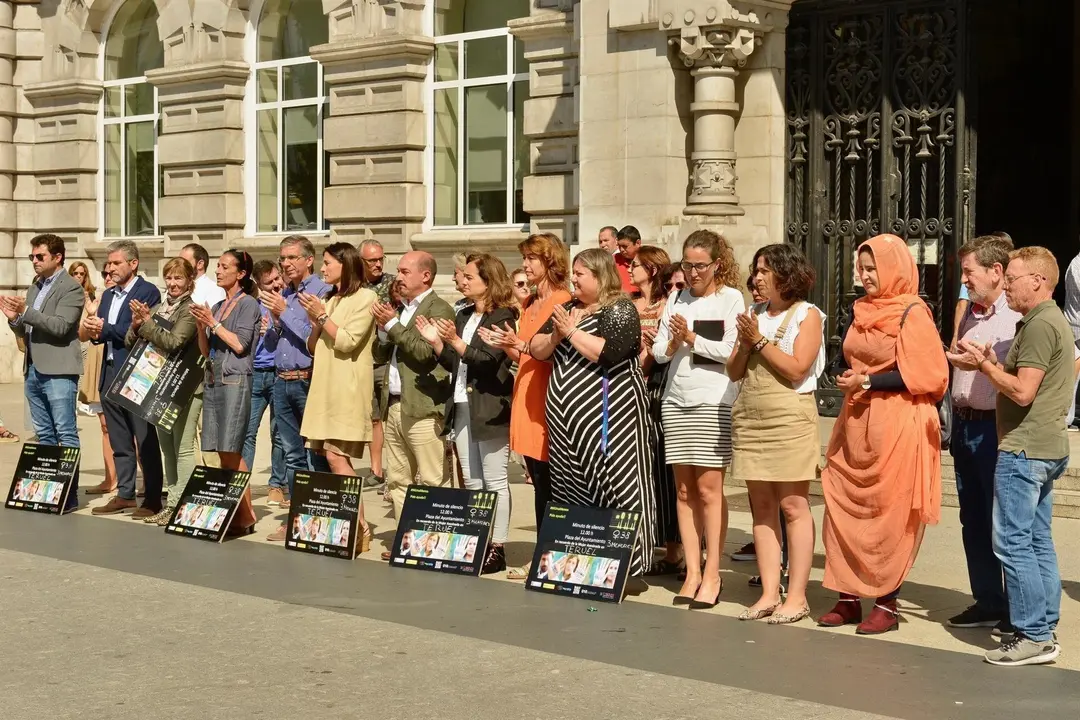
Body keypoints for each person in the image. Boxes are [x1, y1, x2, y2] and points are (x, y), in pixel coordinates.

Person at [818, 234, 949, 635]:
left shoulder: (913, 313)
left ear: (894, 267)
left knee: (888, 513)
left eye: (873, 268)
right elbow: (848, 355)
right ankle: (847, 597)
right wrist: (847, 377)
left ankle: (887, 602)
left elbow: (928, 376)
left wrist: (870, 382)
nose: (865, 275)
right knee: (843, 506)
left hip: (897, 422)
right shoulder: (859, 309)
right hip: (856, 420)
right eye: (861, 268)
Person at [959, 246, 1071, 667]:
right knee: (1037, 540)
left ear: (1038, 281)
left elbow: (1024, 391)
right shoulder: (1042, 321)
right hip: (1041, 446)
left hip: (1025, 449)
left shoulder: (1042, 324)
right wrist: (991, 360)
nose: (1006, 284)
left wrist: (985, 369)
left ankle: (1034, 635)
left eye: (1014, 278)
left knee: (1012, 542)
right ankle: (1044, 625)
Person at [530, 248, 656, 583]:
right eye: (573, 272)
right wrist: (557, 334)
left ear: (600, 277)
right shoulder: (567, 309)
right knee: (571, 486)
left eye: (580, 273)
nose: (573, 278)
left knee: (616, 485)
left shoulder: (619, 309)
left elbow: (611, 353)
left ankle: (627, 563)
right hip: (567, 423)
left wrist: (571, 333)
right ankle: (580, 560)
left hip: (610, 419)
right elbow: (535, 349)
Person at [728, 244, 825, 625]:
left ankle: (797, 595)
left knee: (793, 506)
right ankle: (769, 592)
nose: (756, 278)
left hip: (789, 420)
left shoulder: (808, 315)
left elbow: (798, 368)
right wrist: (744, 341)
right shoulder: (751, 316)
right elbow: (735, 372)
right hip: (751, 417)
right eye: (755, 270)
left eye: (764, 270)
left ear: (786, 275)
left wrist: (760, 341)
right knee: (762, 508)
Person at [652, 230, 744, 609]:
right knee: (684, 491)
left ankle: (712, 572)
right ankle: (691, 571)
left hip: (712, 399)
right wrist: (672, 343)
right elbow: (658, 353)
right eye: (687, 265)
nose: (691, 273)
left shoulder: (730, 299)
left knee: (708, 490)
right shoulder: (676, 296)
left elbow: (730, 350)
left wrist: (690, 337)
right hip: (676, 399)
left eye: (699, 265)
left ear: (717, 264)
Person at [477, 233, 572, 580]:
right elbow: (526, 354)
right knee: (539, 481)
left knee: (552, 485)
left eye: (532, 258)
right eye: (526, 258)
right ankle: (545, 554)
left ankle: (549, 555)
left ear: (550, 261)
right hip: (527, 397)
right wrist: (506, 345)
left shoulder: (562, 300)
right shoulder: (530, 303)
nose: (527, 265)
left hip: (548, 401)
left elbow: (550, 354)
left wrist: (519, 343)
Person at [418, 253, 517, 575]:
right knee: (472, 480)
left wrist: (456, 343)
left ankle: (498, 546)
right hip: (461, 403)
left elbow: (488, 360)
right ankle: (478, 538)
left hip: (489, 406)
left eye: (471, 277)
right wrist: (437, 344)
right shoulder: (463, 314)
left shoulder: (503, 315)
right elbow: (454, 361)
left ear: (489, 282)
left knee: (494, 478)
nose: (464, 281)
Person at [942, 236, 1019, 636]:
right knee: (971, 519)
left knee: (1002, 522)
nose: (964, 280)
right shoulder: (971, 313)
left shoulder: (1017, 317)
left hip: (994, 429)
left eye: (969, 272)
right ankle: (987, 599)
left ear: (996, 272)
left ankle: (1015, 606)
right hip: (966, 426)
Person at [372, 250, 456, 553]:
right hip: (394, 403)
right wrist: (382, 333)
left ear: (426, 276)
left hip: (423, 407)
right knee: (397, 479)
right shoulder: (402, 309)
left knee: (434, 477)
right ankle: (408, 537)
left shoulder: (439, 308)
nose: (399, 277)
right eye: (398, 271)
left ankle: (438, 539)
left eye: (406, 271)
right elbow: (381, 355)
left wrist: (393, 325)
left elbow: (423, 353)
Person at [297, 242, 378, 554]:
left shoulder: (366, 297)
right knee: (328, 457)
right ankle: (353, 524)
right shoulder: (329, 298)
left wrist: (320, 317)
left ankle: (358, 526)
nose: (322, 268)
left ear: (345, 264)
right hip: (324, 386)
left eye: (328, 263)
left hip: (347, 387)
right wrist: (315, 316)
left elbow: (347, 341)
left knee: (335, 456)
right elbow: (313, 347)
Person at [1, 234, 84, 510]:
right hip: (34, 368)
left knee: (66, 433)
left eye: (40, 256)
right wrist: (14, 319)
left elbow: (61, 327)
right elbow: (28, 328)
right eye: (32, 257)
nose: (34, 261)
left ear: (58, 257)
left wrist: (25, 310)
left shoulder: (71, 287)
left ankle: (69, 496)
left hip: (59, 369)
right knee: (44, 434)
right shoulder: (36, 286)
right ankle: (48, 494)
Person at [85, 240, 165, 517]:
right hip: (109, 371)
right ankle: (125, 493)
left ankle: (153, 498)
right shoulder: (108, 296)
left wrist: (104, 328)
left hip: (137, 375)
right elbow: (108, 333)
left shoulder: (147, 292)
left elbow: (137, 332)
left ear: (133, 264)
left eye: (116, 263)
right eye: (108, 263)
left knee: (144, 440)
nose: (110, 268)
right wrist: (94, 329)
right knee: (119, 439)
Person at [262, 236, 332, 542]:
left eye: (292, 258)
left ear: (309, 260)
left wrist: (285, 313)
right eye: (282, 259)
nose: (286, 264)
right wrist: (275, 321)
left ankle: (323, 516)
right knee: (291, 454)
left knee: (316, 453)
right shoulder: (285, 294)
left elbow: (312, 340)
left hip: (308, 379)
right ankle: (297, 516)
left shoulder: (322, 291)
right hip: (282, 380)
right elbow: (271, 344)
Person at [124, 257, 201, 525]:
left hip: (184, 386)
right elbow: (130, 341)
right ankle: (173, 502)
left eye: (178, 278)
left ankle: (182, 504)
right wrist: (136, 324)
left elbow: (174, 341)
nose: (173, 283)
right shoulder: (159, 308)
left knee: (183, 447)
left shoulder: (190, 310)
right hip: (159, 386)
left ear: (190, 280)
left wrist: (147, 324)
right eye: (169, 278)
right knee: (166, 447)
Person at [189, 249, 261, 536]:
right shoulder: (218, 304)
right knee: (221, 448)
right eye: (217, 266)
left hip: (235, 379)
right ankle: (237, 511)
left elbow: (240, 344)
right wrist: (200, 324)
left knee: (232, 446)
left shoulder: (248, 305)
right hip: (214, 377)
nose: (218, 271)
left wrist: (213, 323)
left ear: (240, 274)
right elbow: (206, 350)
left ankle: (247, 513)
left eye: (224, 267)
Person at [630, 245, 681, 575]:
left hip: (661, 385)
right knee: (643, 469)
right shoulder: (631, 304)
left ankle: (675, 548)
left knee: (665, 470)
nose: (630, 269)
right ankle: (649, 541)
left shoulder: (668, 304)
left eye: (635, 265)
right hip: (634, 387)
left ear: (651, 268)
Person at [243, 260, 287, 504]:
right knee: (248, 432)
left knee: (278, 433)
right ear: (259, 285)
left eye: (277, 279)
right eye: (269, 283)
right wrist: (256, 333)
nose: (276, 285)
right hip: (256, 373)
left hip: (279, 373)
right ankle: (242, 484)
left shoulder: (287, 303)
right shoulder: (252, 307)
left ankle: (276, 485)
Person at [80, 271, 118, 493]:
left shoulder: (123, 300)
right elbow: (83, 335)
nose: (108, 276)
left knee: (130, 430)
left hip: (119, 365)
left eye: (113, 272)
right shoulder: (99, 299)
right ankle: (110, 478)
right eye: (105, 273)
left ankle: (140, 483)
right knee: (105, 427)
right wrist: (90, 314)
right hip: (99, 363)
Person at [360, 239, 394, 490]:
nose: (378, 264)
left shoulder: (393, 283)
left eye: (380, 259)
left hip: (386, 358)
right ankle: (376, 469)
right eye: (372, 260)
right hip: (361, 359)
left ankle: (393, 469)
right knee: (372, 417)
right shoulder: (353, 285)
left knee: (389, 415)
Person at [180, 242, 227, 309]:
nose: (179, 266)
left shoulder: (214, 290)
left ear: (200, 264)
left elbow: (213, 317)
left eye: (185, 262)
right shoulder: (175, 286)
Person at [614, 225, 642, 294]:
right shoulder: (613, 260)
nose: (621, 249)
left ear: (638, 243)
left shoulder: (648, 259)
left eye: (625, 246)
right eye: (619, 246)